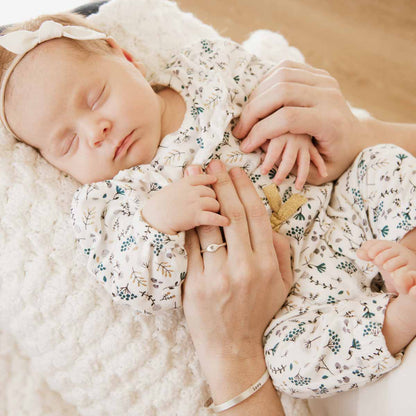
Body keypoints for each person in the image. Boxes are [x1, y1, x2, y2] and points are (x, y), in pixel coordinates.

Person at [1, 11, 416, 405]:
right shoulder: (111, 201)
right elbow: (132, 283)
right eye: (67, 143)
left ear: (128, 59)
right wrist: (156, 222)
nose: (95, 132)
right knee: (288, 362)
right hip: (300, 295)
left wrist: (296, 132)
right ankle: (398, 318)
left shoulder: (204, 69)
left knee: (382, 161)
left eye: (95, 99)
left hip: (340, 203)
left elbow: (278, 92)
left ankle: (409, 251)